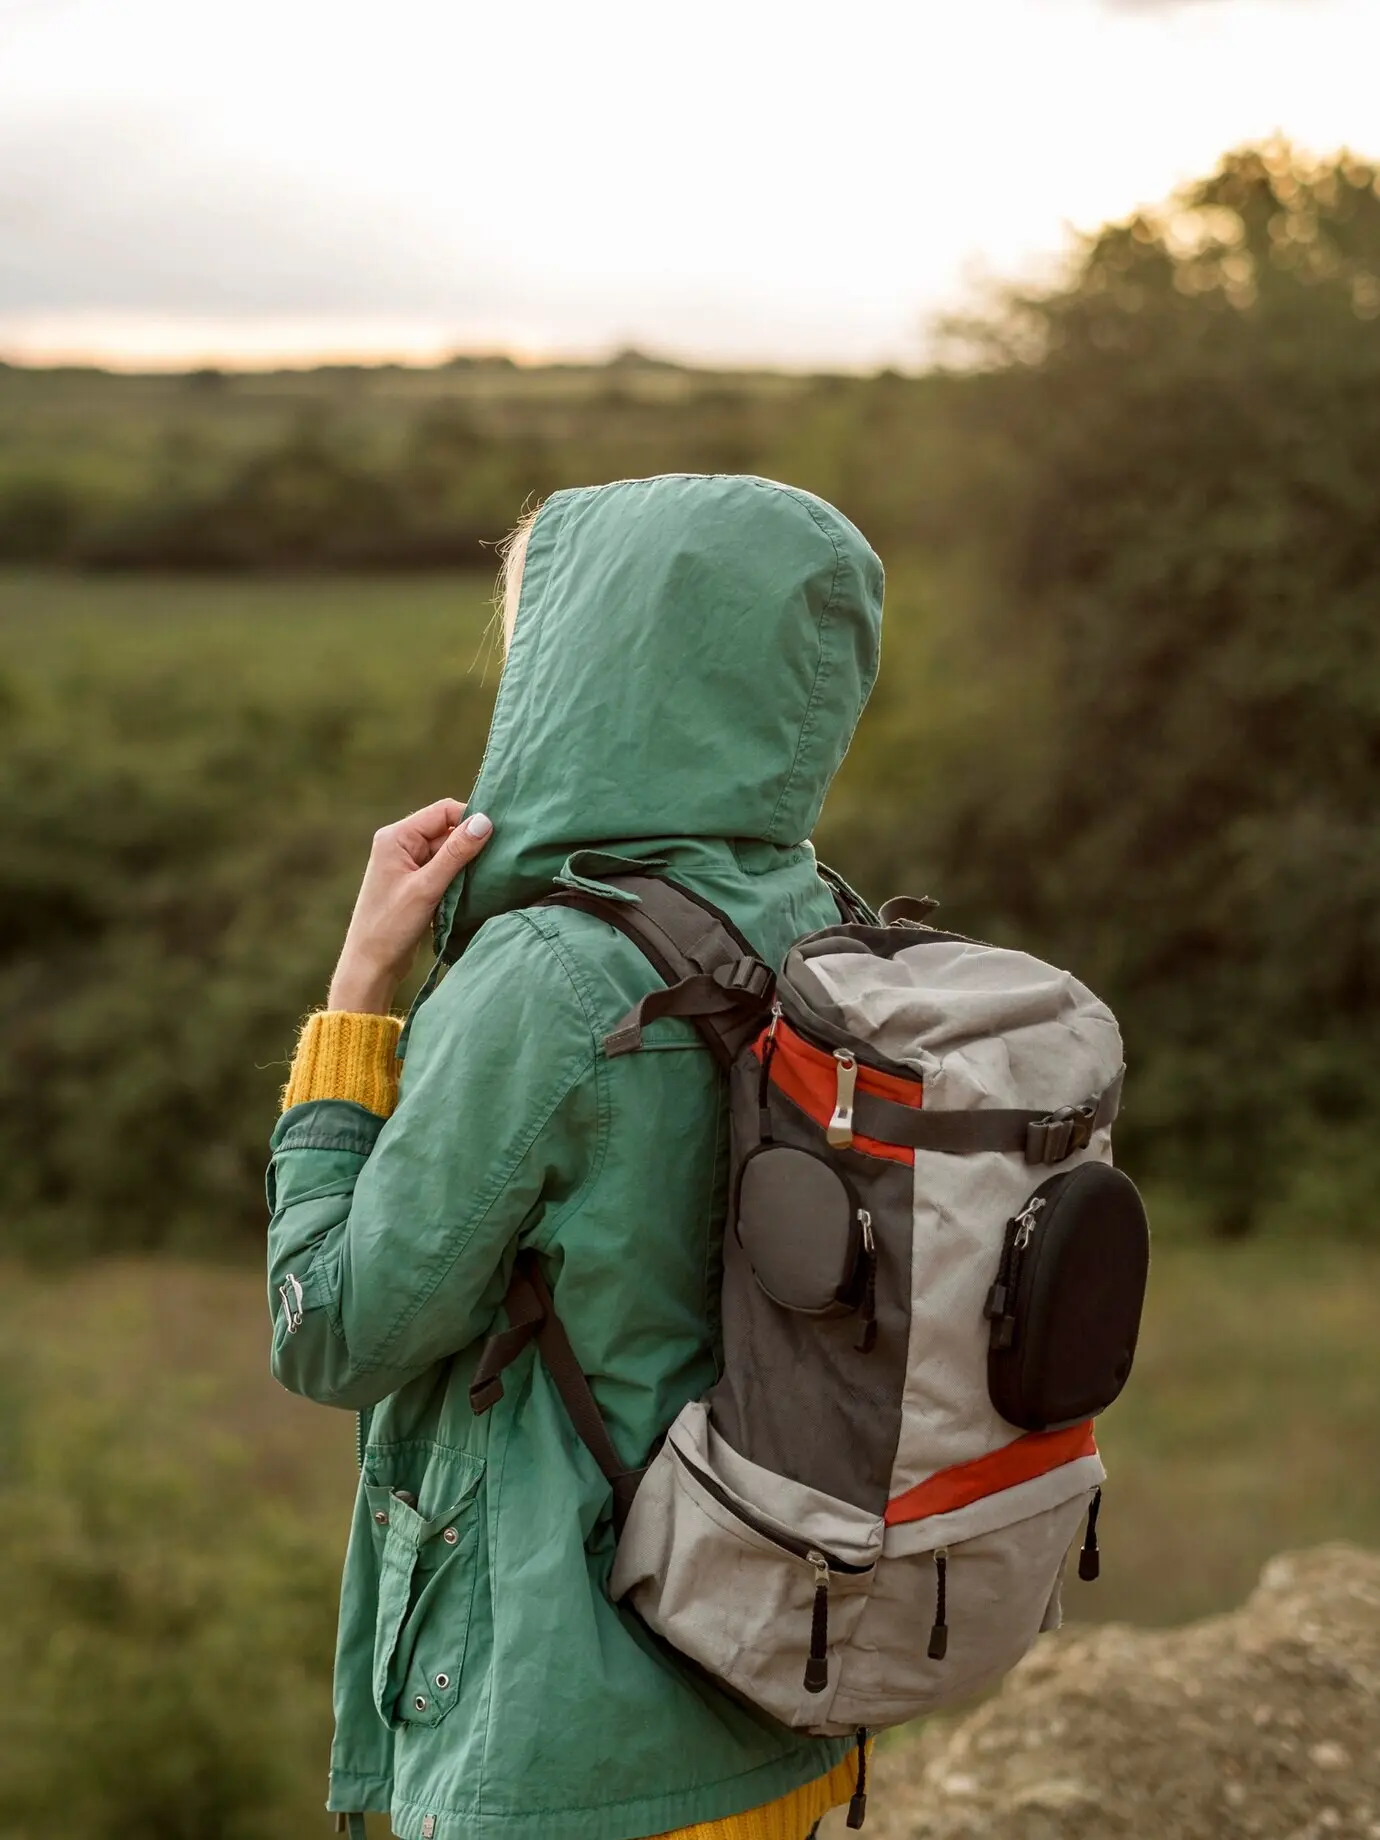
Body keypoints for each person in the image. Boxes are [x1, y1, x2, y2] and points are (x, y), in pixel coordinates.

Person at [267, 473, 884, 1840]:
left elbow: (333, 1333)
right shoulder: (826, 928)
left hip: (569, 1758)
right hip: (788, 1701)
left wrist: (361, 988)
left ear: (581, 657)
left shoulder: (552, 976)